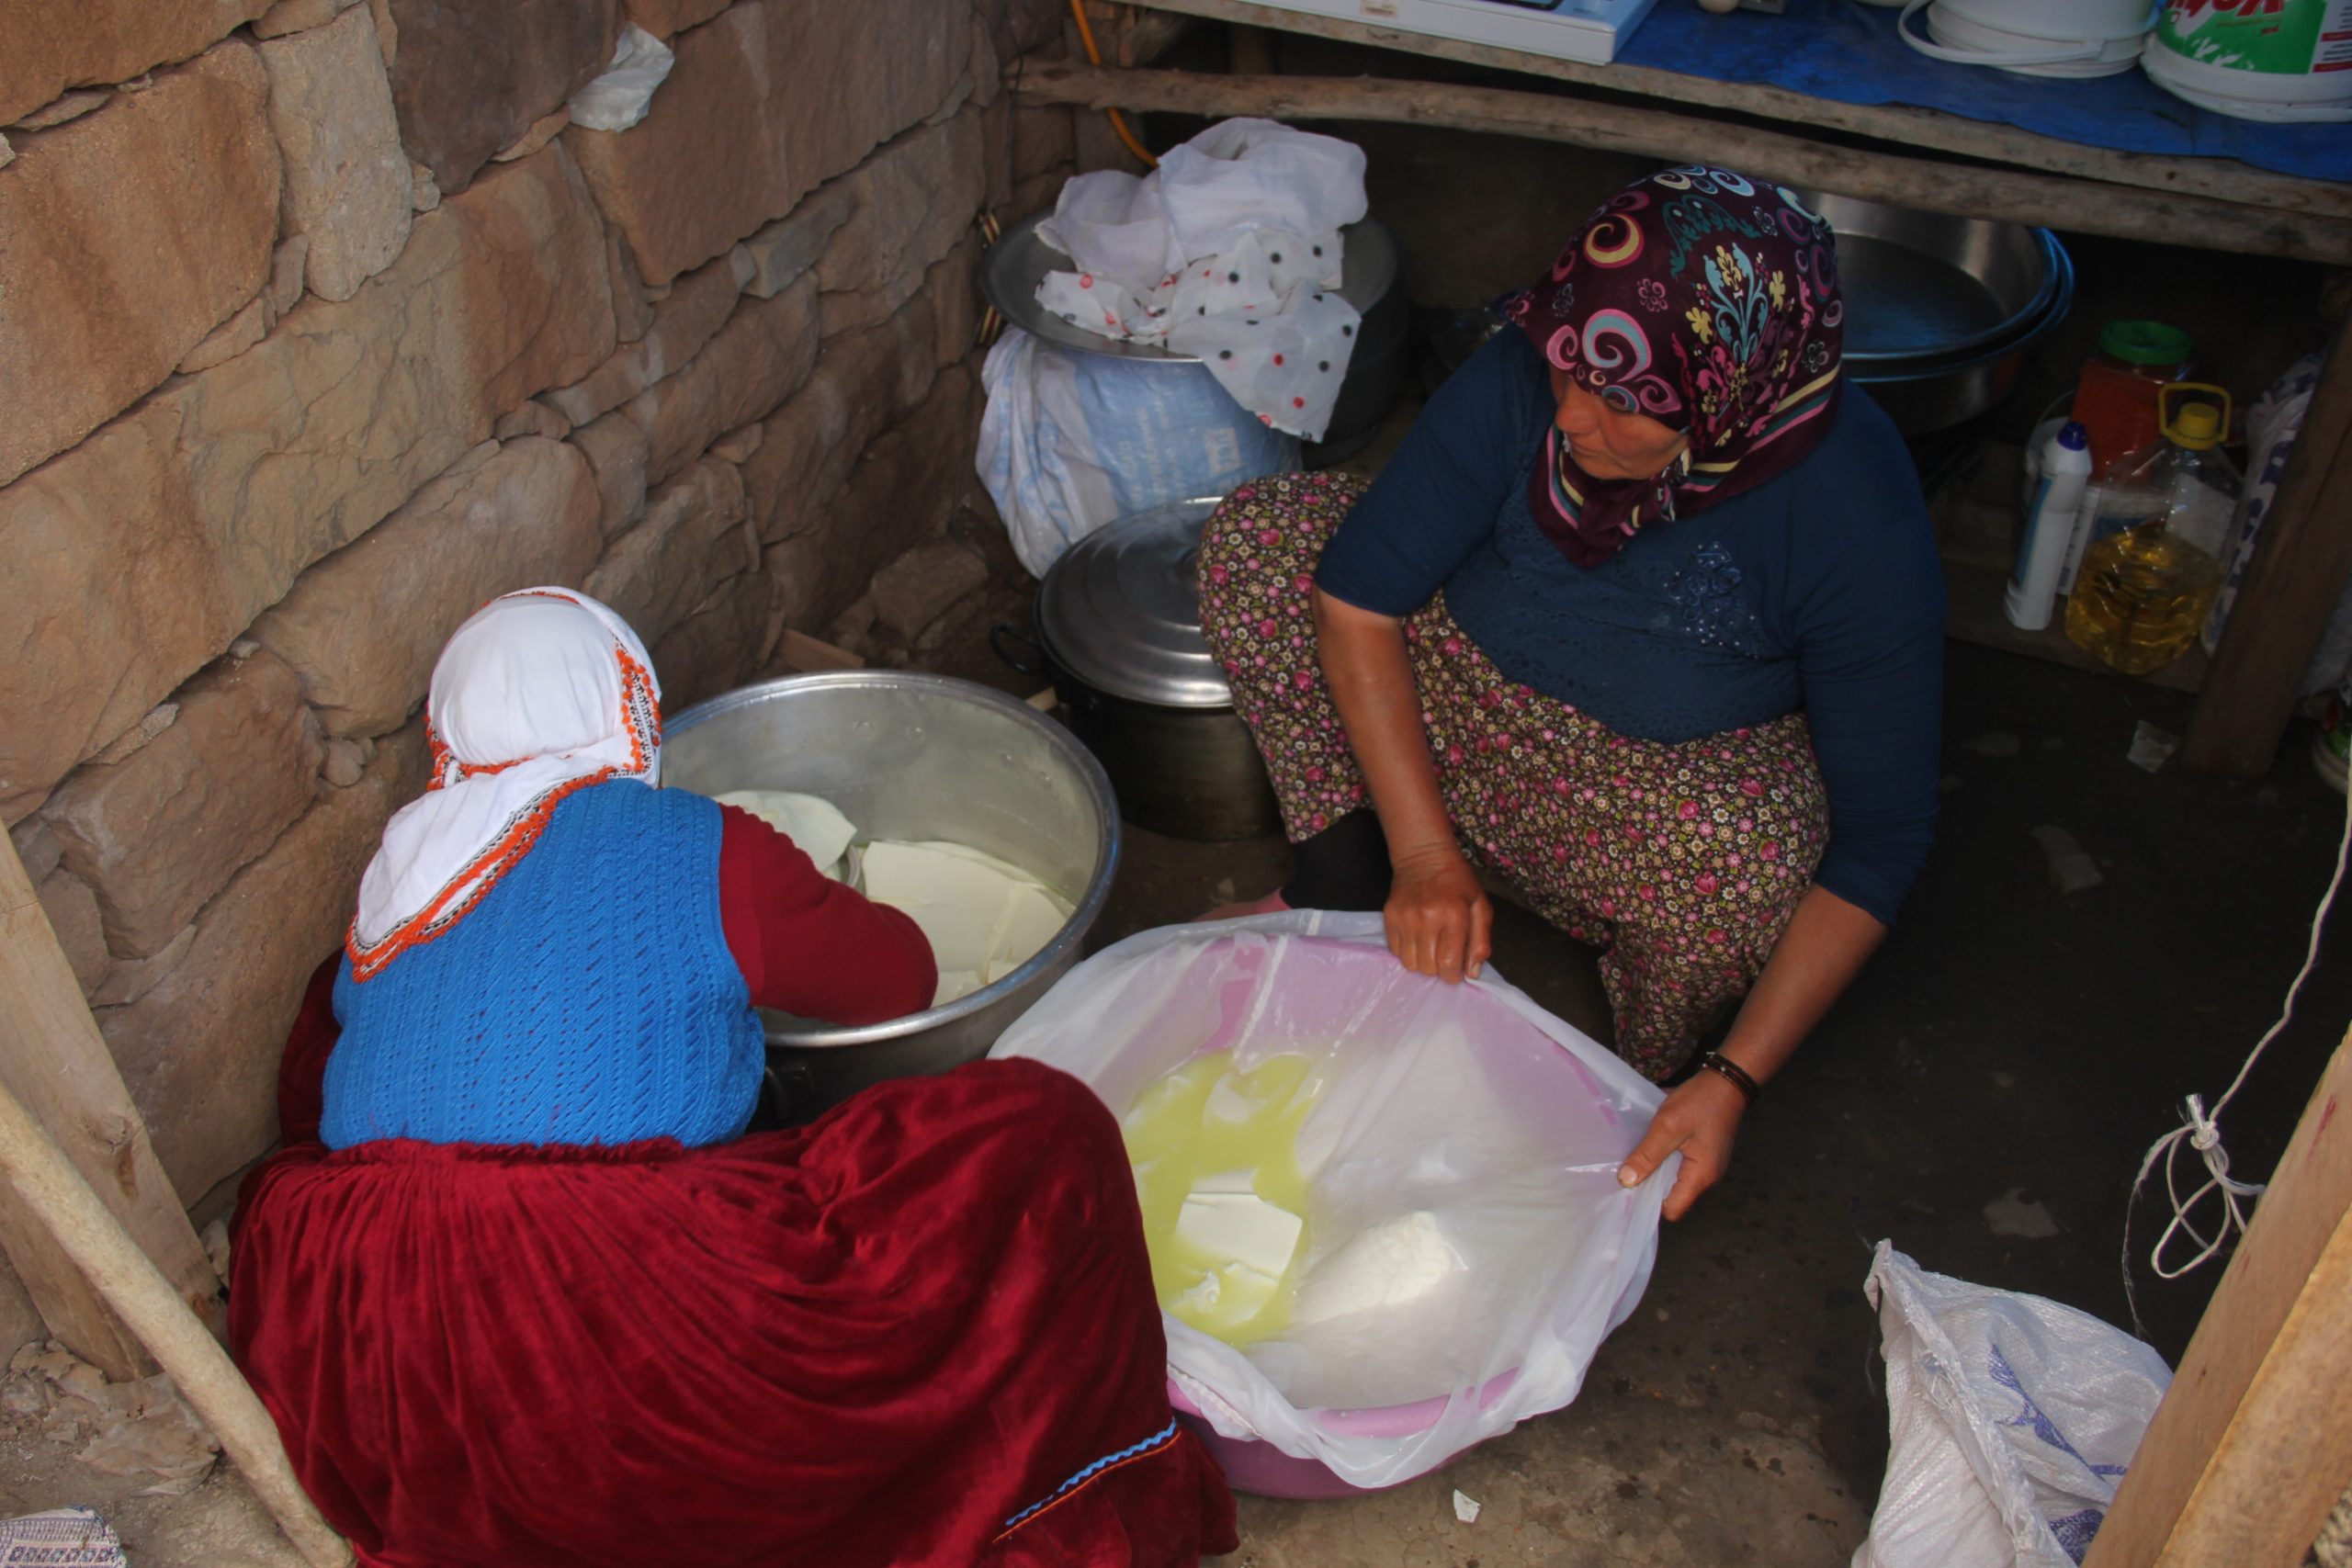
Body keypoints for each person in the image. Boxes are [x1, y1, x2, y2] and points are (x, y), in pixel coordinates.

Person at [231, 588, 1236, 1568]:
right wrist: (785, 905)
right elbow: (903, 974)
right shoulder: (687, 840)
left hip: (361, 1328)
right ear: (625, 706)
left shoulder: (391, 882)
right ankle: (1066, 1489)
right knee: (1037, 1130)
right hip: (590, 1302)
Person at [1198, 168, 1941, 1224]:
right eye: (1570, 370)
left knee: (1751, 869)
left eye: (1631, 402)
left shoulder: (1845, 513)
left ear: (1736, 387)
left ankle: (1638, 1075)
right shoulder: (1544, 368)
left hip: (1641, 800)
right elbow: (1360, 601)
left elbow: (1883, 843)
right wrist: (1422, 856)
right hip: (1450, 706)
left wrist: (1732, 1080)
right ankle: (1348, 878)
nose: (1578, 418)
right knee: (1261, 544)